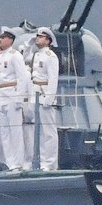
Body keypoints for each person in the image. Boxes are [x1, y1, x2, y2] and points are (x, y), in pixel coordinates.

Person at [0, 29, 29, 171]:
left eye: (3, 38)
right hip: (1, 96)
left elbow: (22, 77)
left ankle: (18, 162)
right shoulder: (0, 57)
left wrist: (19, 98)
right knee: (5, 132)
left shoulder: (15, 56)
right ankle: (9, 161)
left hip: (12, 95)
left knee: (15, 131)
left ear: (10, 39)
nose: (0, 40)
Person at [30, 27, 62, 171]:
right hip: (35, 94)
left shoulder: (51, 56)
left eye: (41, 36)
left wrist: (49, 98)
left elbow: (53, 79)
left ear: (48, 40)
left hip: (44, 95)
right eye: (37, 36)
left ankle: (50, 163)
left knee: (48, 132)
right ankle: (41, 160)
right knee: (38, 131)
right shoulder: (37, 55)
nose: (37, 38)